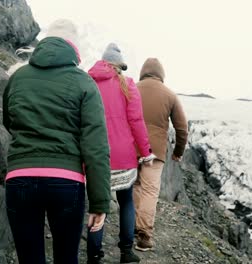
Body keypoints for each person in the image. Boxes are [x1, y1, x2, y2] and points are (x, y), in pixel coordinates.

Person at [2, 19, 111, 264]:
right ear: (75, 49)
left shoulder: (18, 78)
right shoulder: (84, 83)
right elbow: (95, 148)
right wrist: (99, 202)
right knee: (66, 258)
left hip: (20, 178)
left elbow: (9, 121)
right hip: (66, 182)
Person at [86, 43, 155, 264]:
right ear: (118, 66)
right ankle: (126, 252)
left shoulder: (88, 83)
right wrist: (146, 152)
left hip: (96, 155)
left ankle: (94, 255)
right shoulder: (127, 85)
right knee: (126, 202)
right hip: (124, 156)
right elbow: (136, 121)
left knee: (98, 203)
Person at [133, 58, 188, 251]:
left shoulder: (132, 88)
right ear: (161, 74)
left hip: (131, 148)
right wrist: (178, 152)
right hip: (154, 152)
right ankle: (144, 235)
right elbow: (182, 129)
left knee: (135, 186)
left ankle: (134, 225)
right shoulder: (170, 95)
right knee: (149, 190)